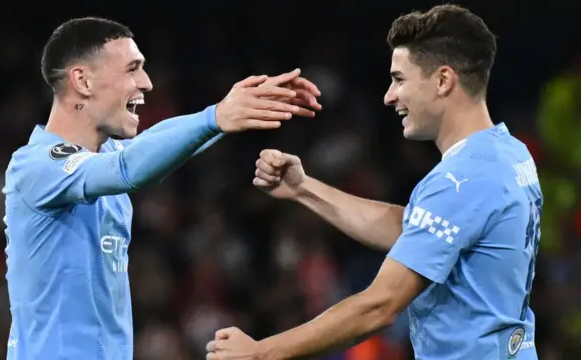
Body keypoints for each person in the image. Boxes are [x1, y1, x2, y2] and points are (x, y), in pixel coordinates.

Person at [207, 4, 541, 360]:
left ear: (443, 80)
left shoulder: (462, 180)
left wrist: (260, 352)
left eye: (399, 79)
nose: (389, 95)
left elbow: (379, 306)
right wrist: (304, 188)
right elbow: (420, 232)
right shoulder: (508, 153)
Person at [2, 17, 321, 360]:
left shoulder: (105, 155)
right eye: (132, 69)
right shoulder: (36, 166)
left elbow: (144, 146)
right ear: (82, 81)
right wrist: (214, 117)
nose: (147, 82)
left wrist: (224, 116)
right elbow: (127, 169)